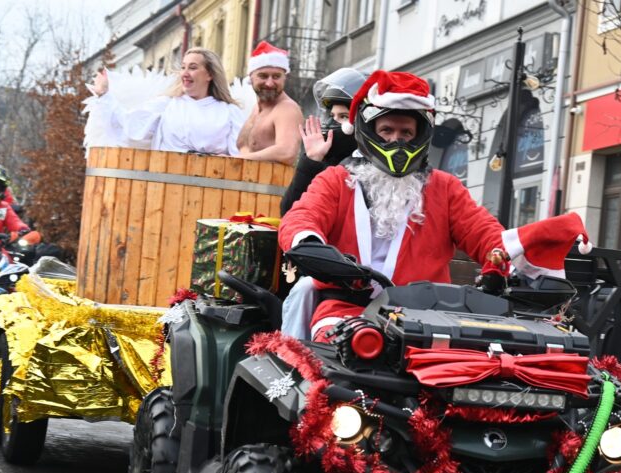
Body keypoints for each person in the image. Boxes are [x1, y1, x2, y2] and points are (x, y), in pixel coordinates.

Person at [277, 70, 592, 340]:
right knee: (338, 376)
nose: (396, 141)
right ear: (369, 132)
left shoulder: (444, 187)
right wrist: (309, 243)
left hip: (428, 317)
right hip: (347, 311)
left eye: (406, 132)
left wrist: (528, 249)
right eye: (386, 131)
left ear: (419, 136)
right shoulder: (336, 179)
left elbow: (485, 236)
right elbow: (302, 216)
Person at [89, 48, 243, 155]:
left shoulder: (229, 112)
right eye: (183, 67)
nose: (185, 73)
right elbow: (129, 127)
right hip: (167, 188)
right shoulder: (167, 104)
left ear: (209, 74)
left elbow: (241, 156)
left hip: (212, 192)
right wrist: (104, 95)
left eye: (193, 67)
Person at [280, 67, 365, 214]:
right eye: (333, 116)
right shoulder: (325, 158)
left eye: (343, 116)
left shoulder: (366, 165)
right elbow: (289, 211)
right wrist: (311, 160)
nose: (334, 122)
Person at [236, 41, 304, 164]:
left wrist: (235, 160)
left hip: (272, 183)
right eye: (263, 76)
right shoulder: (256, 108)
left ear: (285, 78)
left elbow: (287, 152)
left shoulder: (287, 109)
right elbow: (244, 150)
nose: (269, 83)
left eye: (276, 77)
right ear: (251, 77)